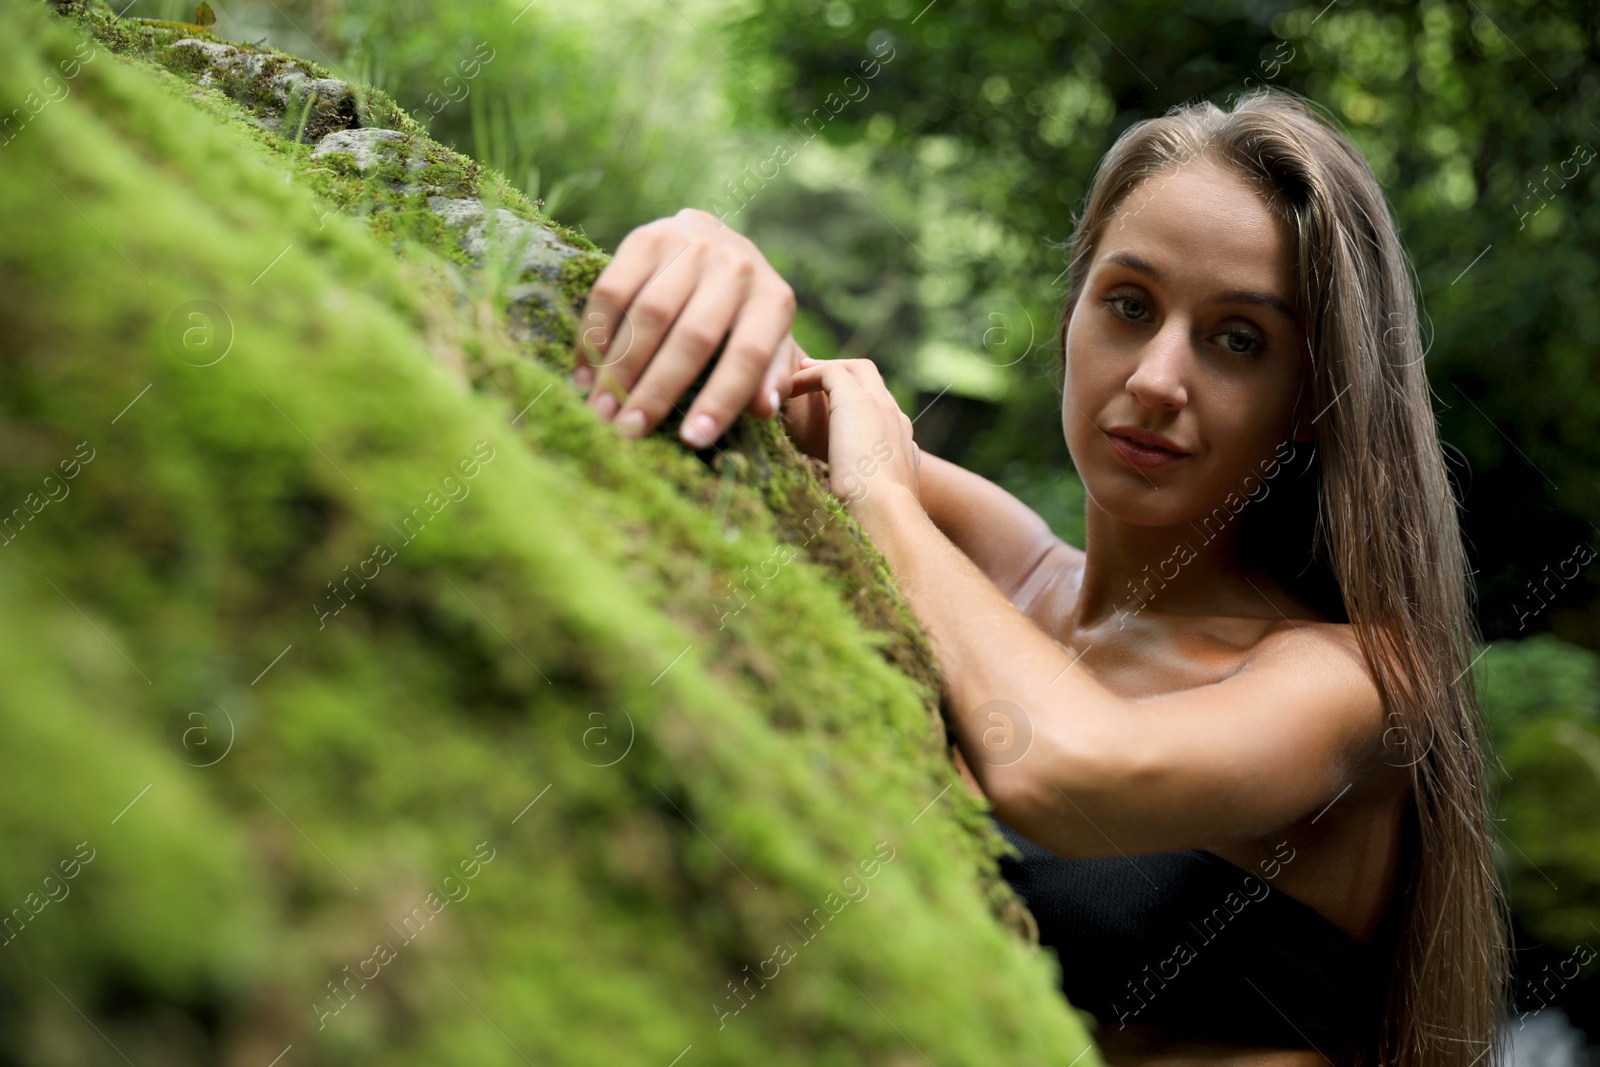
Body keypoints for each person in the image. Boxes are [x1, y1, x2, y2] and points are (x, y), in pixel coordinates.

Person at [570, 87, 1511, 1067]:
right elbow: (766, 380)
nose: (1154, 378)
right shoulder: (1005, 567)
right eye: (1128, 304)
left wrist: (881, 494)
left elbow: (1068, 768)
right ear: (1071, 314)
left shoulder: (1361, 682)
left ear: (1312, 400)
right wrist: (709, 247)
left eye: (1238, 339)